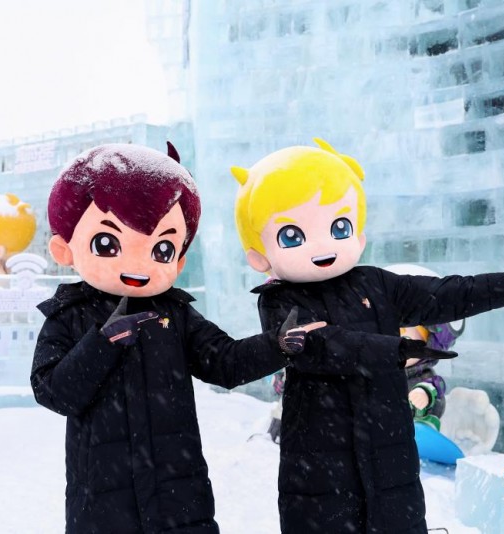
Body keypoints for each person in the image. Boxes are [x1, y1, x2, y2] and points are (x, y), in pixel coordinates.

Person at [231, 138, 504, 534]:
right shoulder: (279, 300)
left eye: (339, 227)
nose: (323, 246)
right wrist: (392, 349)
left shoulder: (375, 284)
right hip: (319, 461)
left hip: (388, 450)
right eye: (293, 235)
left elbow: (444, 294)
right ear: (259, 255)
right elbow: (317, 345)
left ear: (358, 235)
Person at [31, 142, 322, 534]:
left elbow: (224, 360)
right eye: (108, 243)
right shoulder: (70, 315)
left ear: (179, 259)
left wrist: (276, 344)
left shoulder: (175, 313)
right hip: (103, 501)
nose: (139, 264)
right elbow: (53, 392)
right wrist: (101, 344)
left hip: (179, 494)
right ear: (63, 248)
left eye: (162, 248)